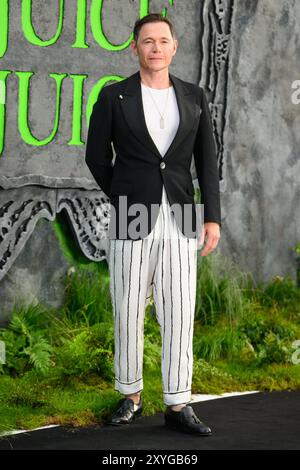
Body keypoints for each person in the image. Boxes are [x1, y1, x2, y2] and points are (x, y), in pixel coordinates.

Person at [85, 13, 221, 435]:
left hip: (182, 214)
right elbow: (96, 157)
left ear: (174, 47)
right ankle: (130, 395)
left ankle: (178, 404)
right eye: (148, 41)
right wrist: (123, 193)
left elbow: (208, 163)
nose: (156, 47)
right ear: (135, 47)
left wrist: (212, 216)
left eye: (163, 40)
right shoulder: (113, 96)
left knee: (179, 311)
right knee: (127, 308)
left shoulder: (195, 96)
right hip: (131, 212)